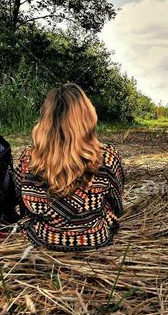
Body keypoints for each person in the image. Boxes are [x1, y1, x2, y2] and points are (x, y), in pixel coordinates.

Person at [15, 84, 125, 251]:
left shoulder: (29, 158)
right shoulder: (107, 157)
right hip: (93, 238)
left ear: (45, 118)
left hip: (43, 237)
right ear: (87, 117)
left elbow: (21, 201)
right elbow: (116, 204)